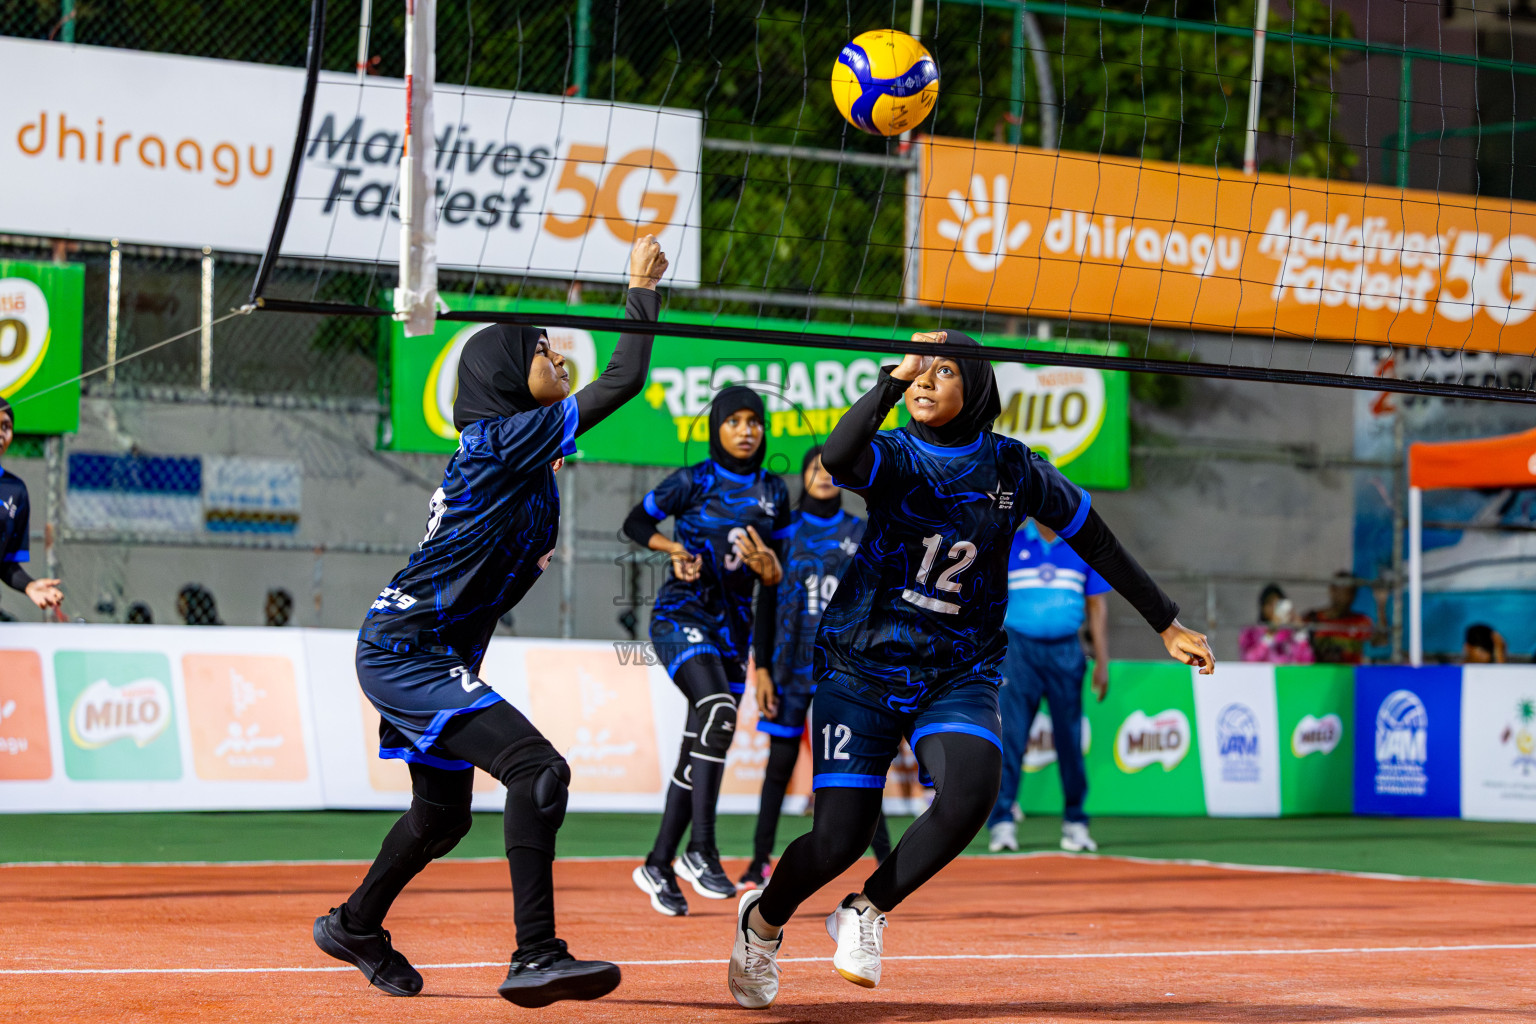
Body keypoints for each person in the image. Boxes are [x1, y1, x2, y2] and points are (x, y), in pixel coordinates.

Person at [725, 331, 1214, 1009]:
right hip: (861, 664)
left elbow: (1093, 535)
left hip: (959, 668)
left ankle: (866, 910)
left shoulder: (1016, 468)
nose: (925, 381)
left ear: (975, 387)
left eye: (942, 371)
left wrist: (1166, 620)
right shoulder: (893, 454)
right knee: (837, 838)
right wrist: (893, 380)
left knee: (972, 792)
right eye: (920, 371)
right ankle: (762, 922)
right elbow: (837, 456)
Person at [312, 235, 668, 1007]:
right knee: (538, 770)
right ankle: (536, 954)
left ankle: (355, 925)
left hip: (426, 652)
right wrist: (640, 287)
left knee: (441, 818)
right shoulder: (502, 442)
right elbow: (627, 377)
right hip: (406, 652)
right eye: (546, 352)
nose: (561, 363)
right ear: (506, 374)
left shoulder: (527, 457)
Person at [625, 386, 789, 916]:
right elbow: (635, 523)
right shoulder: (692, 480)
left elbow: (775, 581)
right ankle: (702, 848)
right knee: (717, 711)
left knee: (701, 739)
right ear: (717, 427)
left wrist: (762, 660)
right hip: (680, 617)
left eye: (755, 421)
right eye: (735, 420)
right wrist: (672, 548)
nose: (747, 430)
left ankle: (657, 862)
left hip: (735, 636)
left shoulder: (773, 492)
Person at [741, 446, 891, 891]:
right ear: (803, 476)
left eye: (831, 467)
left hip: (845, 668)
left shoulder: (861, 532)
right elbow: (764, 604)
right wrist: (762, 667)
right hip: (788, 668)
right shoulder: (782, 534)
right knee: (779, 767)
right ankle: (757, 863)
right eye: (813, 467)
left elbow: (875, 605)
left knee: (857, 767)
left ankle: (884, 859)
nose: (823, 474)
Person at [987, 516, 1110, 856]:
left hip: (1066, 650)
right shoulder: (1010, 540)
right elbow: (986, 594)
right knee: (1010, 736)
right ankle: (1002, 822)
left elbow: (1097, 605)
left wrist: (1102, 661)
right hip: (1018, 650)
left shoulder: (1082, 543)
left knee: (1070, 739)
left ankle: (1075, 823)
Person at [0, 397, 63, 618]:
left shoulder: (15, 491)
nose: (0, 433)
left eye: (6, 426)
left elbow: (6, 564)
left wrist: (29, 586)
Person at [1303, 571, 1376, 665]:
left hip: (1350, 676)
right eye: (1344, 591)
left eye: (1352, 592)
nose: (1349, 597)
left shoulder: (1362, 621)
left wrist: (1381, 604)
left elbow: (1380, 643)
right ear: (1332, 590)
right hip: (1319, 675)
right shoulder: (1311, 619)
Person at [1239, 583, 1313, 664]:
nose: (1274, 608)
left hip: (1286, 676)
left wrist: (1300, 632)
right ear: (1263, 606)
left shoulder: (1290, 633)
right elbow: (1248, 661)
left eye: (1278, 604)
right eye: (1270, 604)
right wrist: (1269, 635)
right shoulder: (1251, 631)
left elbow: (1308, 661)